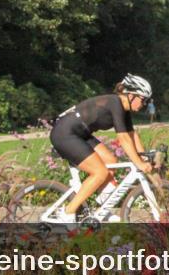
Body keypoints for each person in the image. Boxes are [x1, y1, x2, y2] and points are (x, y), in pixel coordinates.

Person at [48, 74, 154, 223]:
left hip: (80, 133)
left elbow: (132, 136)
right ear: (131, 95)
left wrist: (143, 156)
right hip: (65, 133)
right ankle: (67, 212)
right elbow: (123, 139)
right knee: (100, 172)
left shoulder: (125, 109)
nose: (144, 104)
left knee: (111, 160)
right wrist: (139, 163)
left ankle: (102, 208)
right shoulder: (115, 103)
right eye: (143, 100)